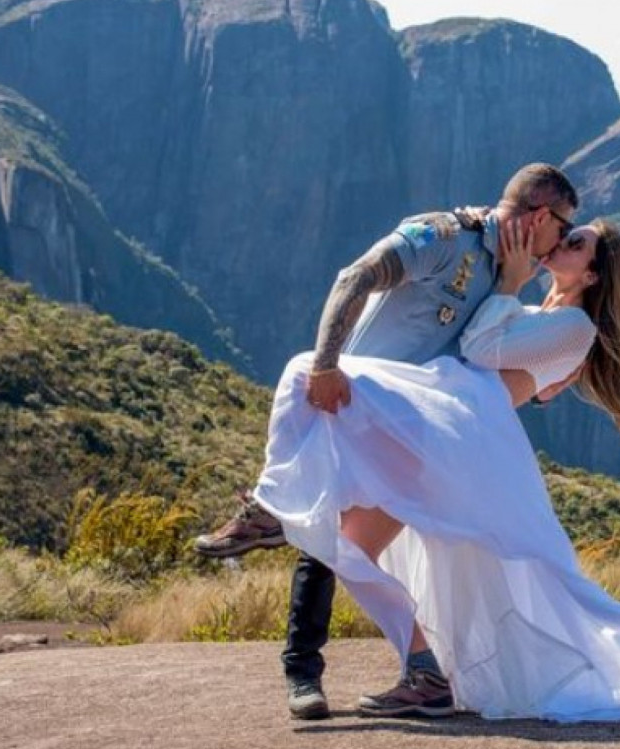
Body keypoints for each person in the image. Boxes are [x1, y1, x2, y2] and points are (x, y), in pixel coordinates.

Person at [254, 218, 620, 721]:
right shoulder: (536, 317)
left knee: (311, 374)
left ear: (591, 276)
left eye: (575, 245)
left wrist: (508, 282)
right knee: (348, 543)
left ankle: (267, 509)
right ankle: (427, 674)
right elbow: (512, 367)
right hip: (443, 433)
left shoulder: (576, 328)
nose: (559, 245)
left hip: (462, 439)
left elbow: (479, 350)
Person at [194, 163, 582, 720]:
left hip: (412, 438)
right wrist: (328, 363)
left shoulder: (509, 279)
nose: (558, 245)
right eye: (562, 229)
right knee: (327, 536)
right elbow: (356, 277)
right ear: (541, 216)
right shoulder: (444, 237)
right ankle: (320, 666)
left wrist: (529, 340)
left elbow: (494, 362)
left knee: (336, 543)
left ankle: (273, 518)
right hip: (353, 408)